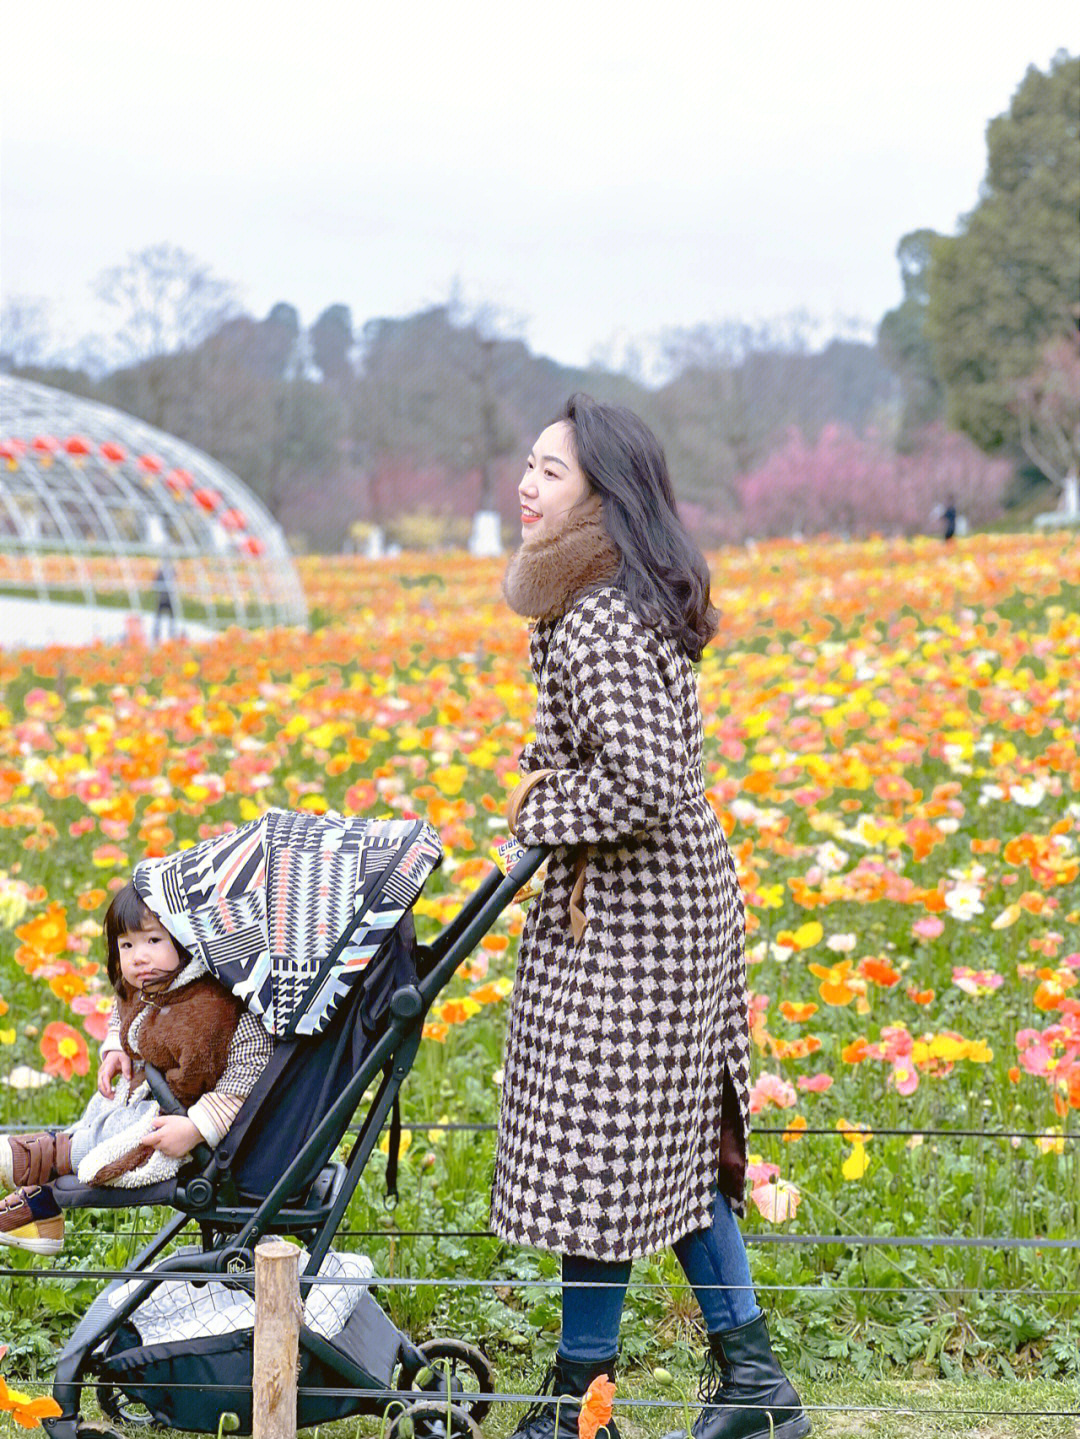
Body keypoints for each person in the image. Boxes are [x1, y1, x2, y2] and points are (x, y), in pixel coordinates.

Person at [494, 395, 810, 1439]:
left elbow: (645, 782)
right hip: (645, 907)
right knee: (664, 1153)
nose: (527, 484)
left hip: (644, 922)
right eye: (530, 465)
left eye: (551, 470)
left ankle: (577, 1403)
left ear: (603, 492)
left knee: (605, 1151)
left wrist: (537, 803)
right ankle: (755, 1386)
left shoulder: (599, 615)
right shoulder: (601, 600)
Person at [0, 882, 272, 1254]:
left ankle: (43, 1157)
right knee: (99, 1119)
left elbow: (249, 1075)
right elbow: (126, 1007)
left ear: (184, 938)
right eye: (126, 946)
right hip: (146, 1092)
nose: (139, 957)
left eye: (153, 941)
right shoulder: (155, 982)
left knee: (118, 1137)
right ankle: (44, 1203)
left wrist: (197, 1127)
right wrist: (118, 1044)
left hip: (182, 1124)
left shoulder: (221, 1006)